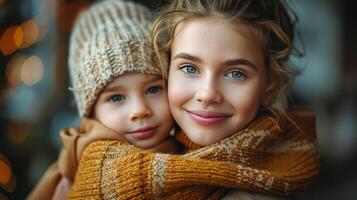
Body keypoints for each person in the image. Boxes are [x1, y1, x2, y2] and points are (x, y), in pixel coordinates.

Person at [67, 0, 319, 199]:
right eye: (189, 68)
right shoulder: (101, 163)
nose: (207, 94)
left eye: (236, 73)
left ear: (269, 85)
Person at [26, 1, 182, 199]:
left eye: (153, 89)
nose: (140, 109)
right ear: (91, 110)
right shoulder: (76, 176)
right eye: (116, 97)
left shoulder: (187, 149)